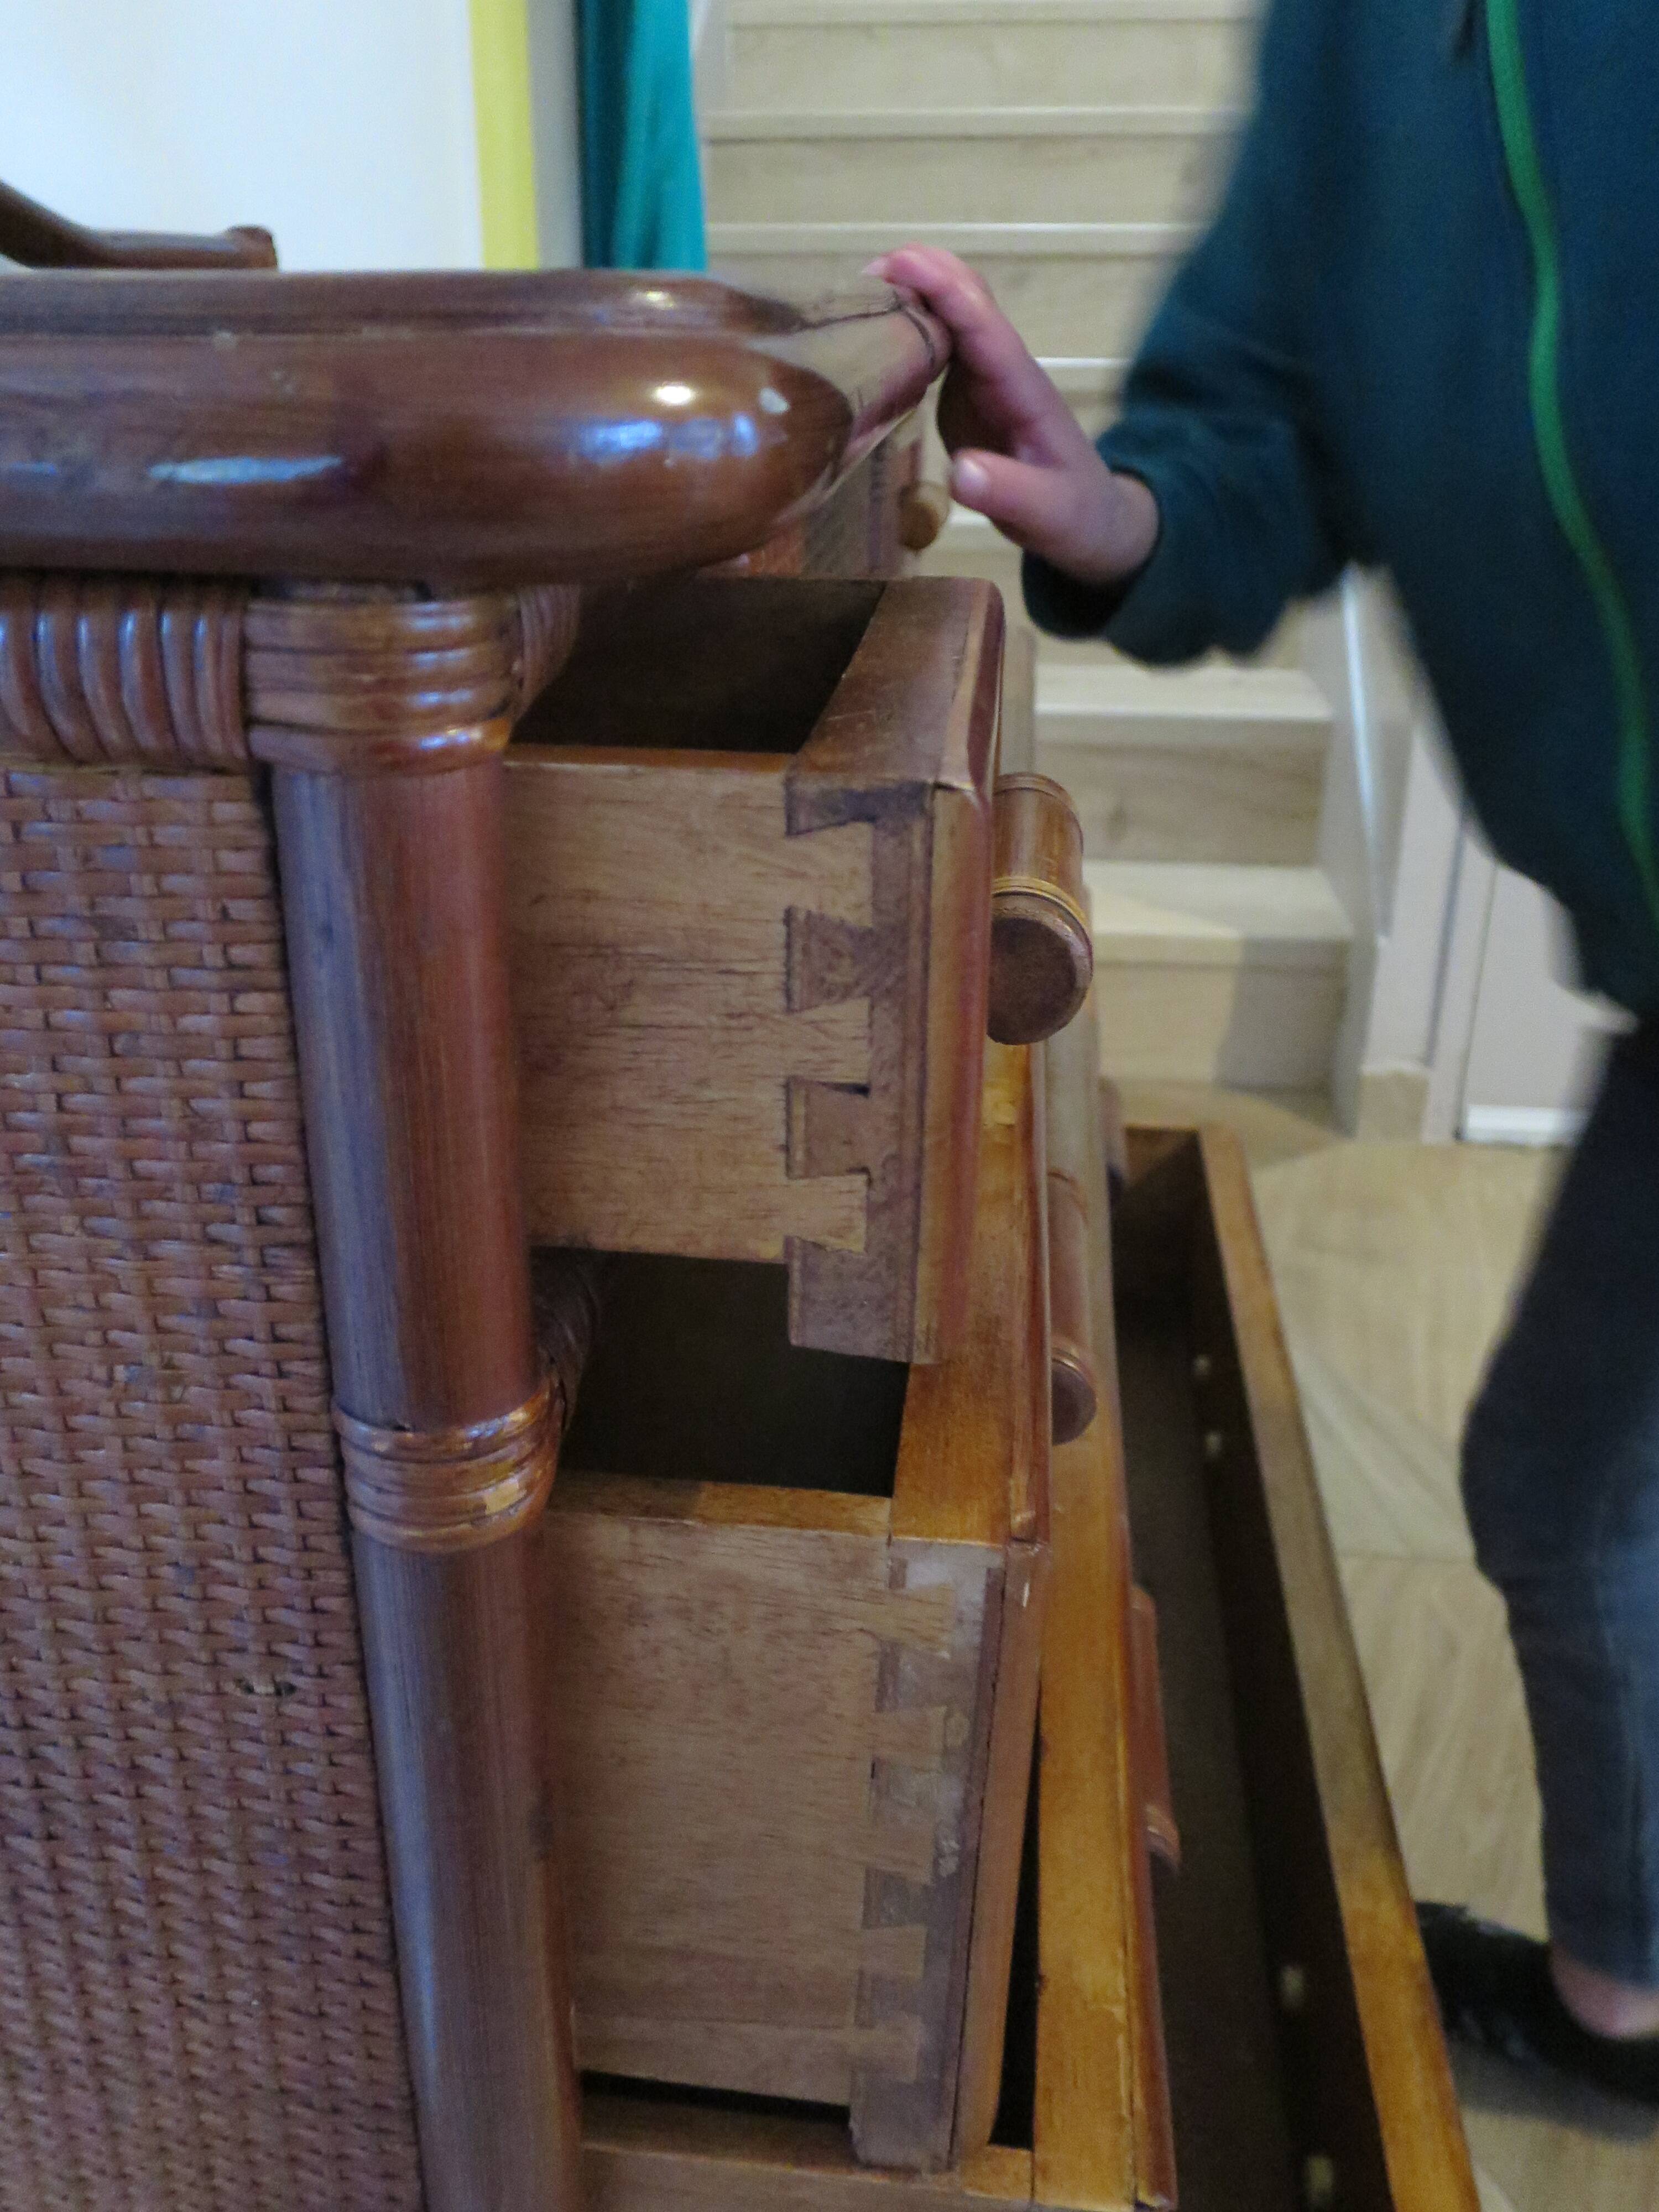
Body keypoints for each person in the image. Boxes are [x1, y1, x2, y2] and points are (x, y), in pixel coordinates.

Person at [869, 0, 1659, 2107]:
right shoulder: (1357, 49)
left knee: (1574, 1497)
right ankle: (1627, 2005)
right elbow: (1272, 434)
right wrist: (1124, 509)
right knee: (1569, 1491)